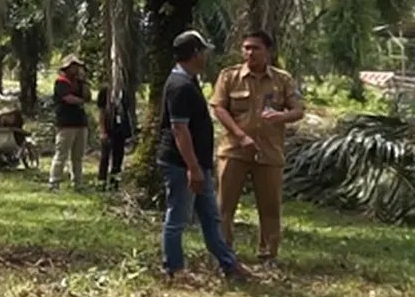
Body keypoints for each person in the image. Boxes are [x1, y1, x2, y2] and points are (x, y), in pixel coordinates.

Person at [157, 29, 252, 281]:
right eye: (203, 52)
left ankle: (229, 265)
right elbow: (179, 129)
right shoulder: (179, 86)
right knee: (177, 217)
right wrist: (192, 167)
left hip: (196, 163)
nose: (206, 58)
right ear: (196, 53)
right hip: (181, 164)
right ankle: (174, 269)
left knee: (211, 218)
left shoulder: (188, 81)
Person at [211, 30, 305, 267]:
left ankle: (268, 255)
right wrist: (240, 136)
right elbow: (219, 108)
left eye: (255, 48)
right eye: (246, 48)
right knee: (224, 206)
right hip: (234, 150)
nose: (249, 52)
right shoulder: (229, 76)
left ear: (268, 51)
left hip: (269, 152)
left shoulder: (282, 80)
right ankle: (224, 254)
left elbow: (299, 109)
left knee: (270, 207)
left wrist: (280, 117)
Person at [49, 53, 90, 191]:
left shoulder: (79, 83)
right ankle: (54, 182)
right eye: (73, 67)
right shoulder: (61, 82)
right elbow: (68, 98)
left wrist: (84, 82)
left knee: (78, 156)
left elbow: (87, 97)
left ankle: (77, 182)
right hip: (66, 123)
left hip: (80, 123)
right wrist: (81, 101)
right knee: (61, 154)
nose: (76, 70)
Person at [96, 82, 134, 190]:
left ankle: (114, 183)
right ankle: (101, 182)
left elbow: (127, 112)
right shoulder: (105, 91)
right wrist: (103, 131)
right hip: (108, 128)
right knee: (105, 156)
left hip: (120, 129)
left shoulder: (124, 91)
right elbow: (101, 112)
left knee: (118, 156)